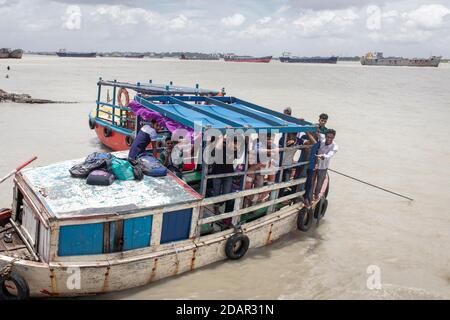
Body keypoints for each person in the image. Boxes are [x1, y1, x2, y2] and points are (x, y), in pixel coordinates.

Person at [210, 136, 237, 214]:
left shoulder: (234, 149)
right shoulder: (220, 146)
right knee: (216, 192)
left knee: (226, 193)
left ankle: (219, 204)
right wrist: (222, 137)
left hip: (228, 173)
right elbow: (215, 151)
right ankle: (216, 208)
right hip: (217, 172)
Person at [314, 129, 338, 200]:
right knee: (311, 181)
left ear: (333, 138)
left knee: (319, 183)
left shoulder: (335, 146)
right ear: (325, 136)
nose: (329, 139)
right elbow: (317, 132)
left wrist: (323, 156)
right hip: (315, 165)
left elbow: (330, 154)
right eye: (328, 137)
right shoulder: (322, 138)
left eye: (331, 138)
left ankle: (316, 195)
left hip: (323, 167)